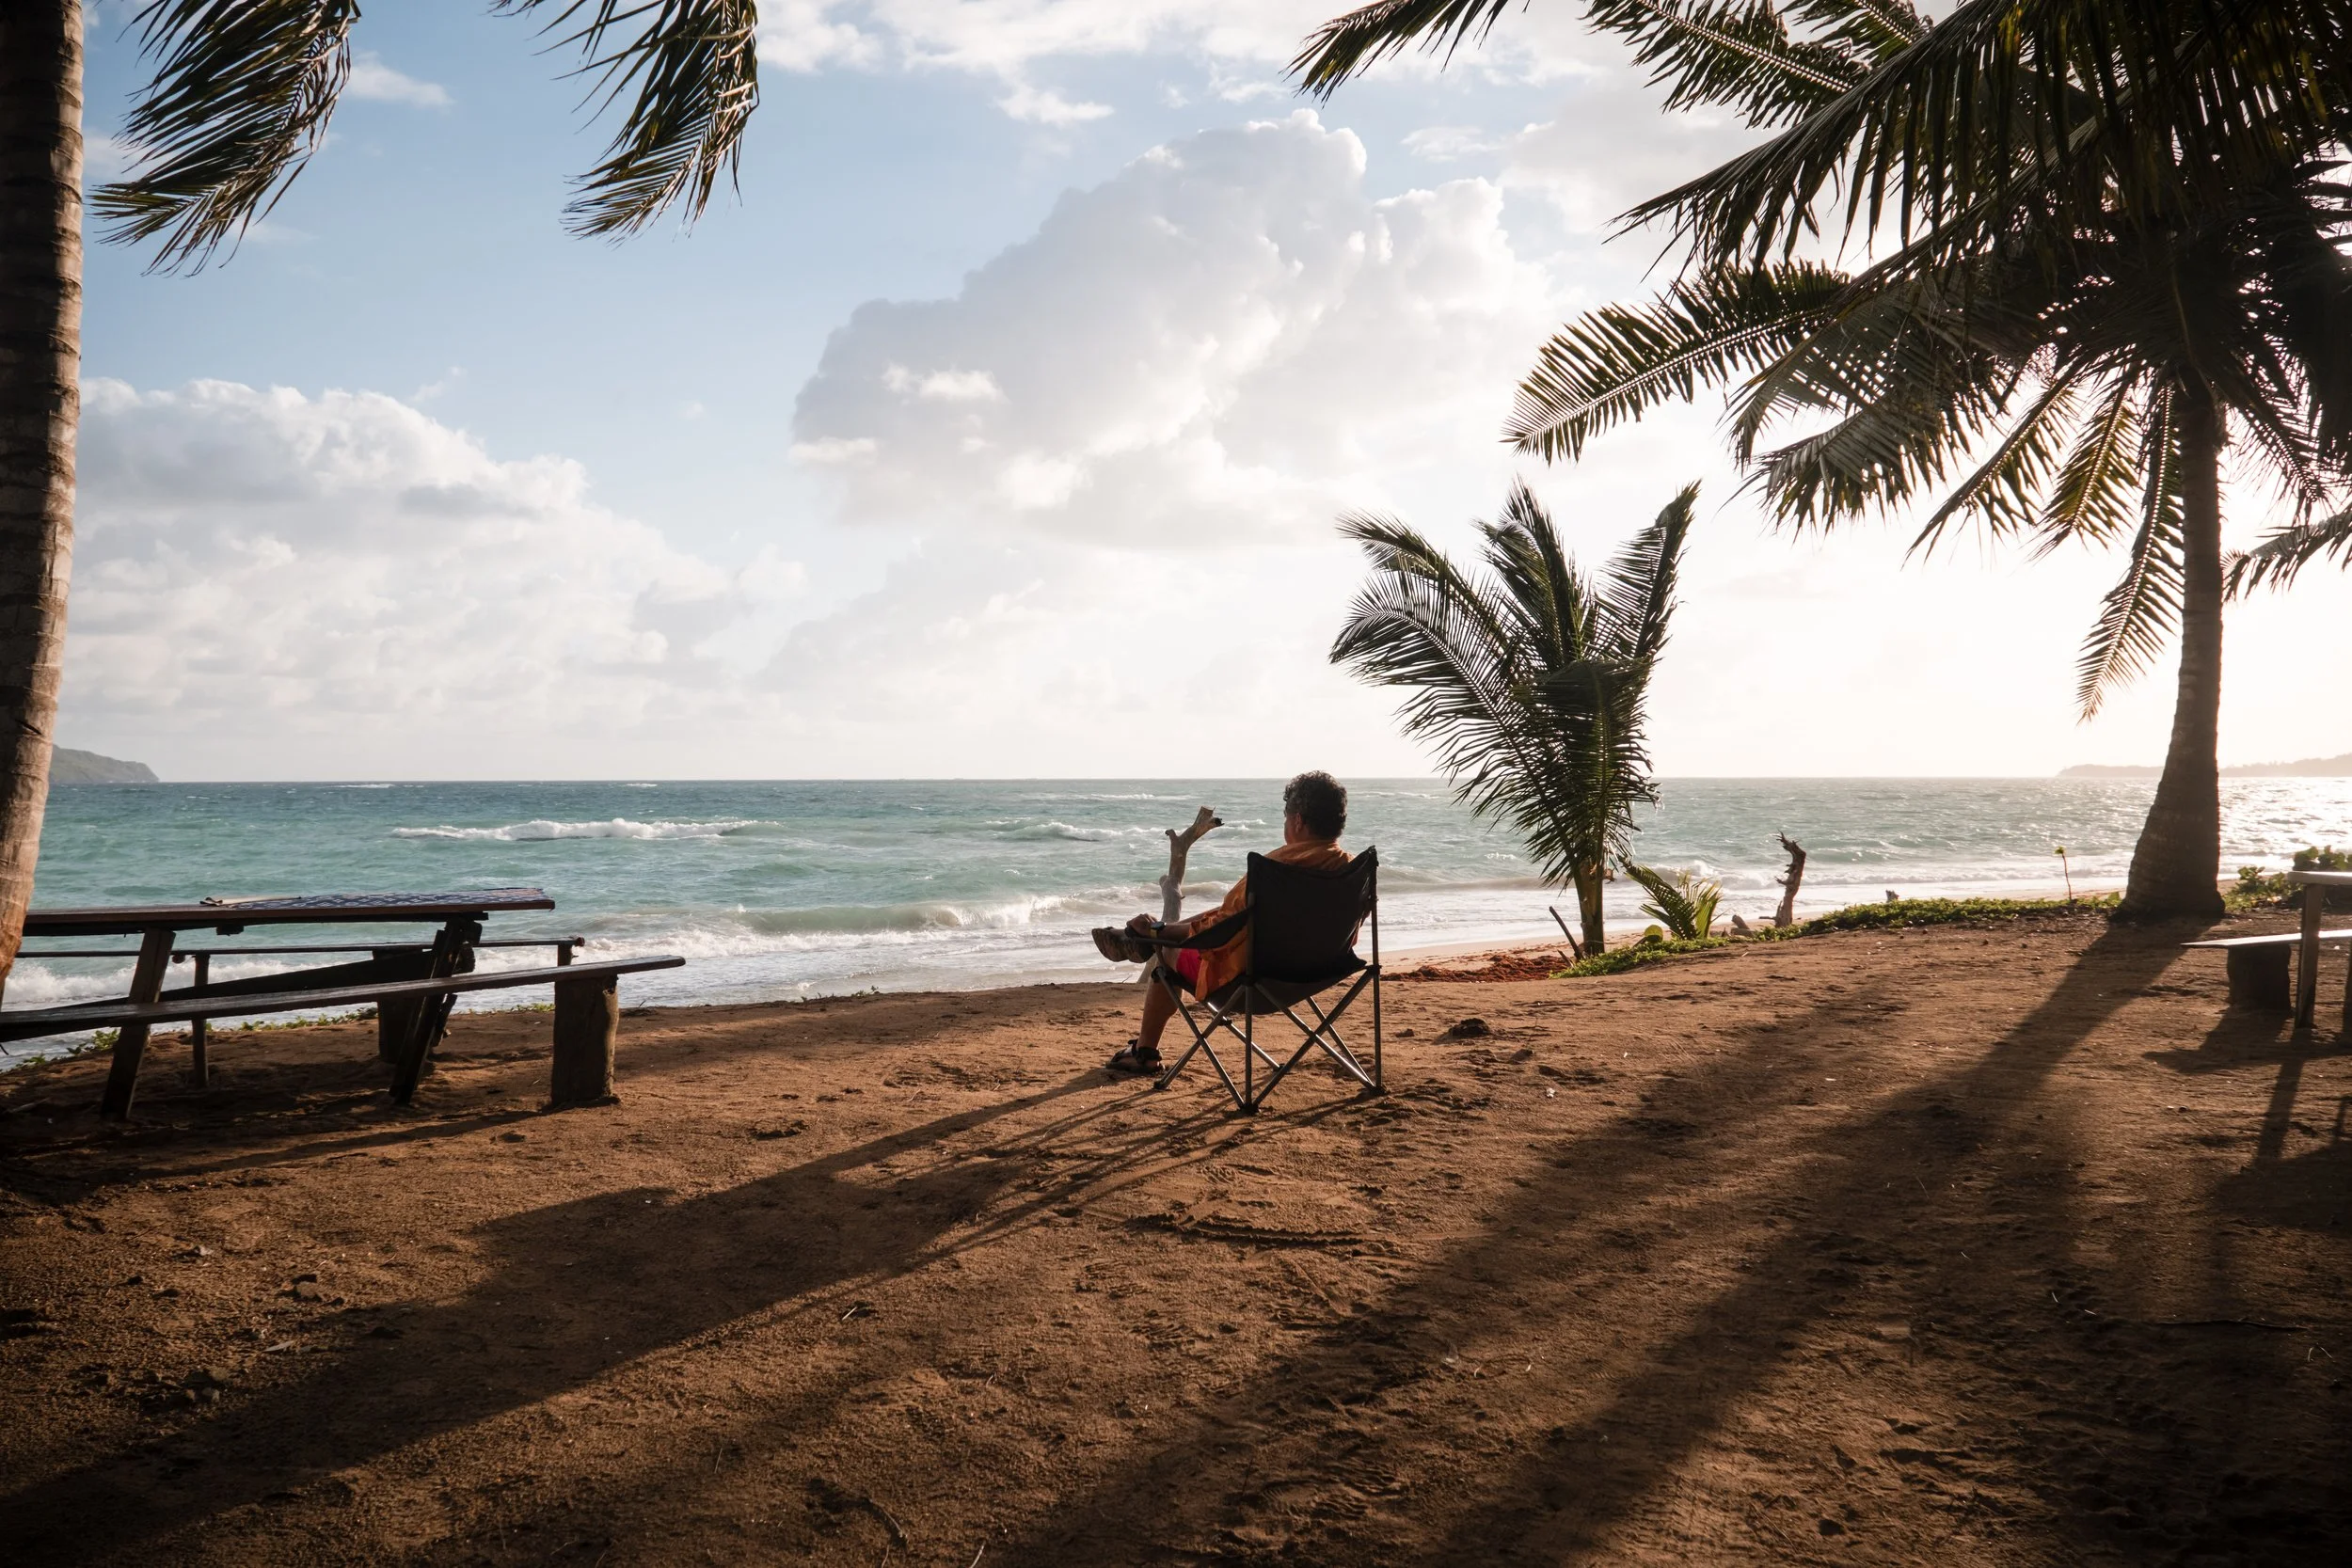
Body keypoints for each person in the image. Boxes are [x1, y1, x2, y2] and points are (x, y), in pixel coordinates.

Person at [1097, 771, 1353, 1075]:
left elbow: (1219, 932)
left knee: (1167, 952)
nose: (1285, 825)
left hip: (1250, 981)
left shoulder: (1279, 871)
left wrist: (1160, 932)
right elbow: (1230, 918)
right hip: (1318, 972)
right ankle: (1146, 937)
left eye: (1286, 817)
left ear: (1298, 821)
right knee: (1219, 916)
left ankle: (1144, 1052)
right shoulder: (1349, 871)